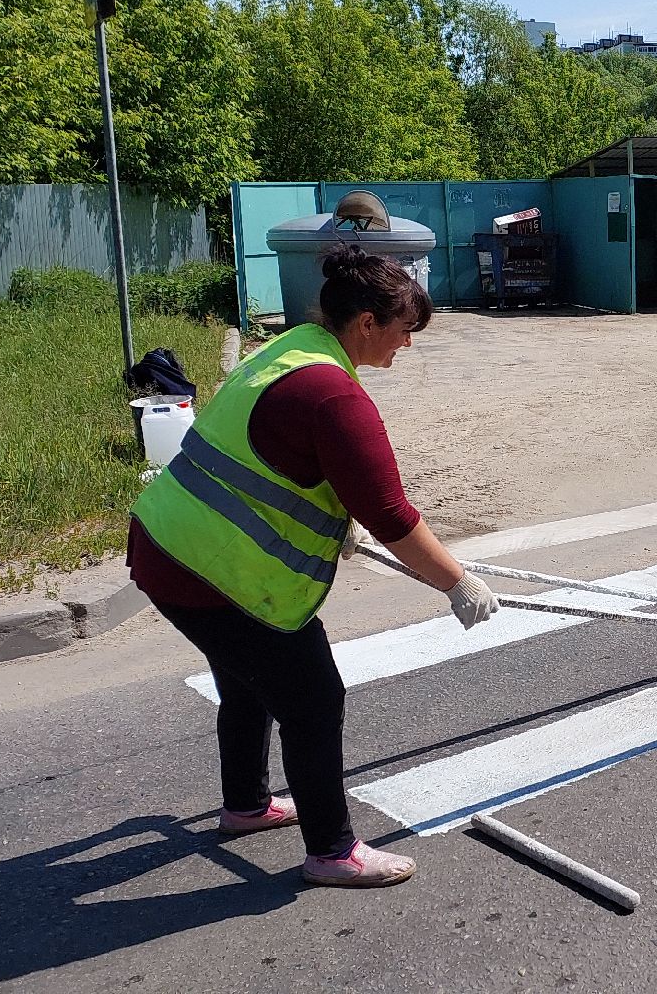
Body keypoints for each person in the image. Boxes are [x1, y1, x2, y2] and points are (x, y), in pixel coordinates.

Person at [127, 244, 499, 888]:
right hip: (217, 575)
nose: (406, 347)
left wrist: (338, 525)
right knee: (313, 699)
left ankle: (245, 806)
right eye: (404, 332)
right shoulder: (338, 399)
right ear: (365, 324)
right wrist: (456, 582)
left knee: (248, 683)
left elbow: (277, 458)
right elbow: (391, 514)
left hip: (167, 544)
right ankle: (331, 851)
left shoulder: (289, 348)